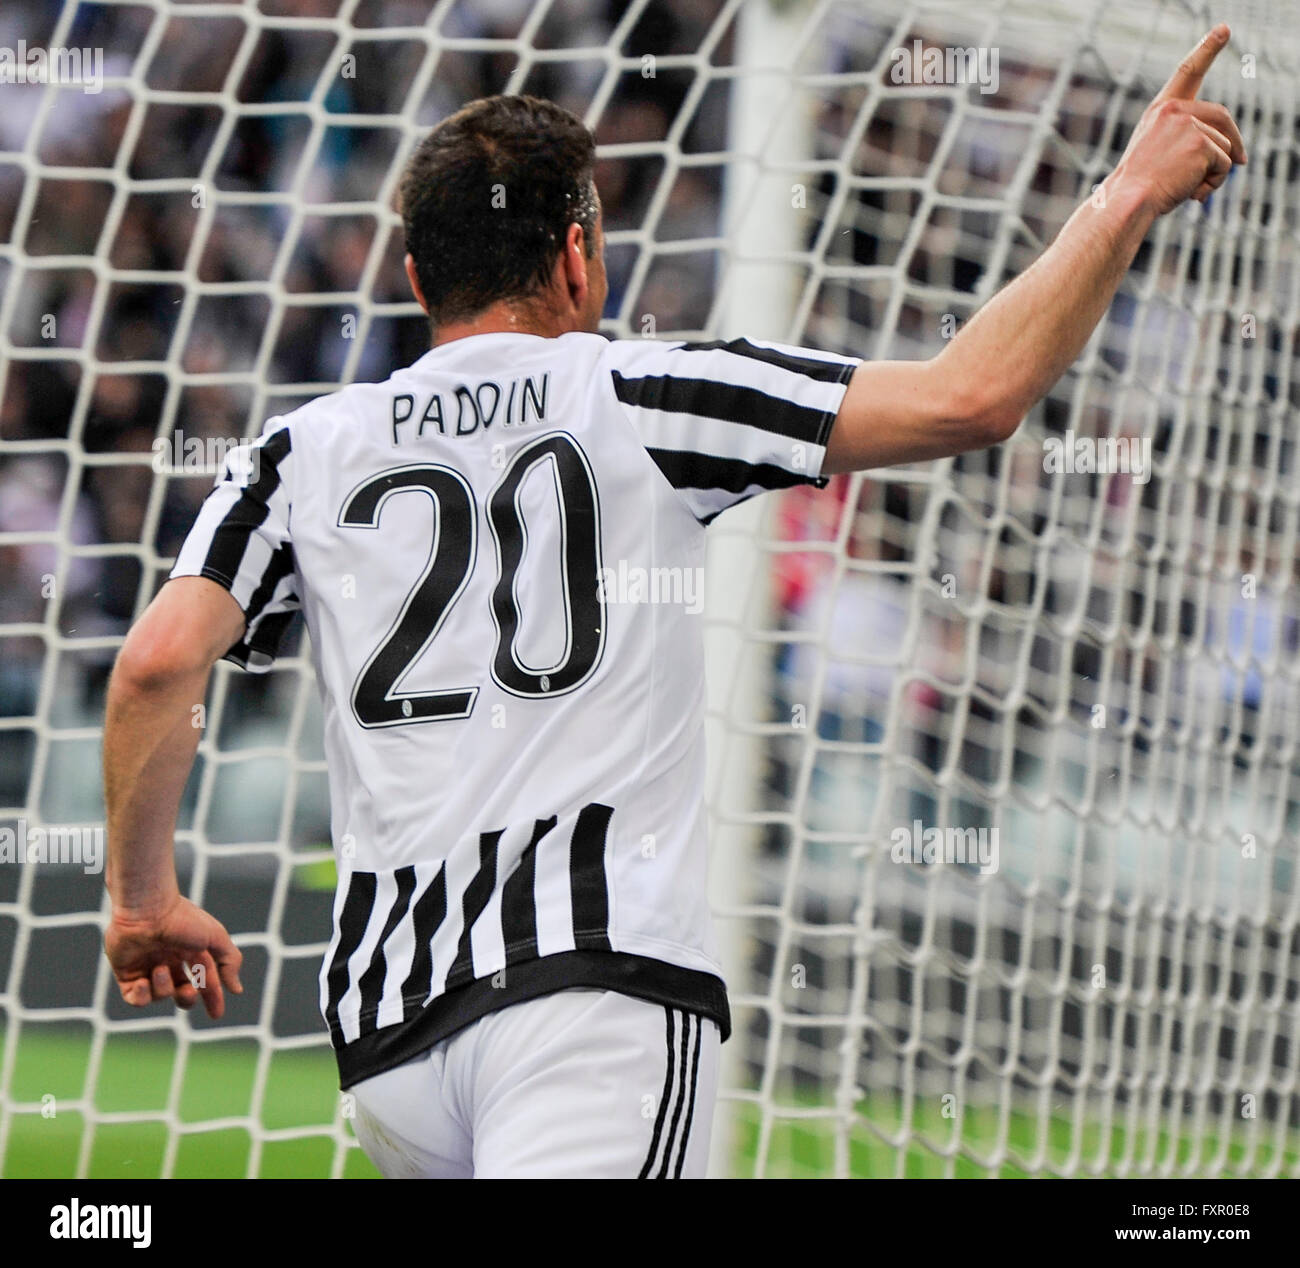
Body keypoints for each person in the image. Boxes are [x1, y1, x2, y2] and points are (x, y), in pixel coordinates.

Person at [101, 27, 1245, 1178]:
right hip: (590, 1001)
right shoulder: (643, 394)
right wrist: (1126, 193)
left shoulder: (304, 452)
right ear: (577, 262)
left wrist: (141, 897)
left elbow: (156, 661)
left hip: (394, 1035)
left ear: (414, 279)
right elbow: (973, 395)